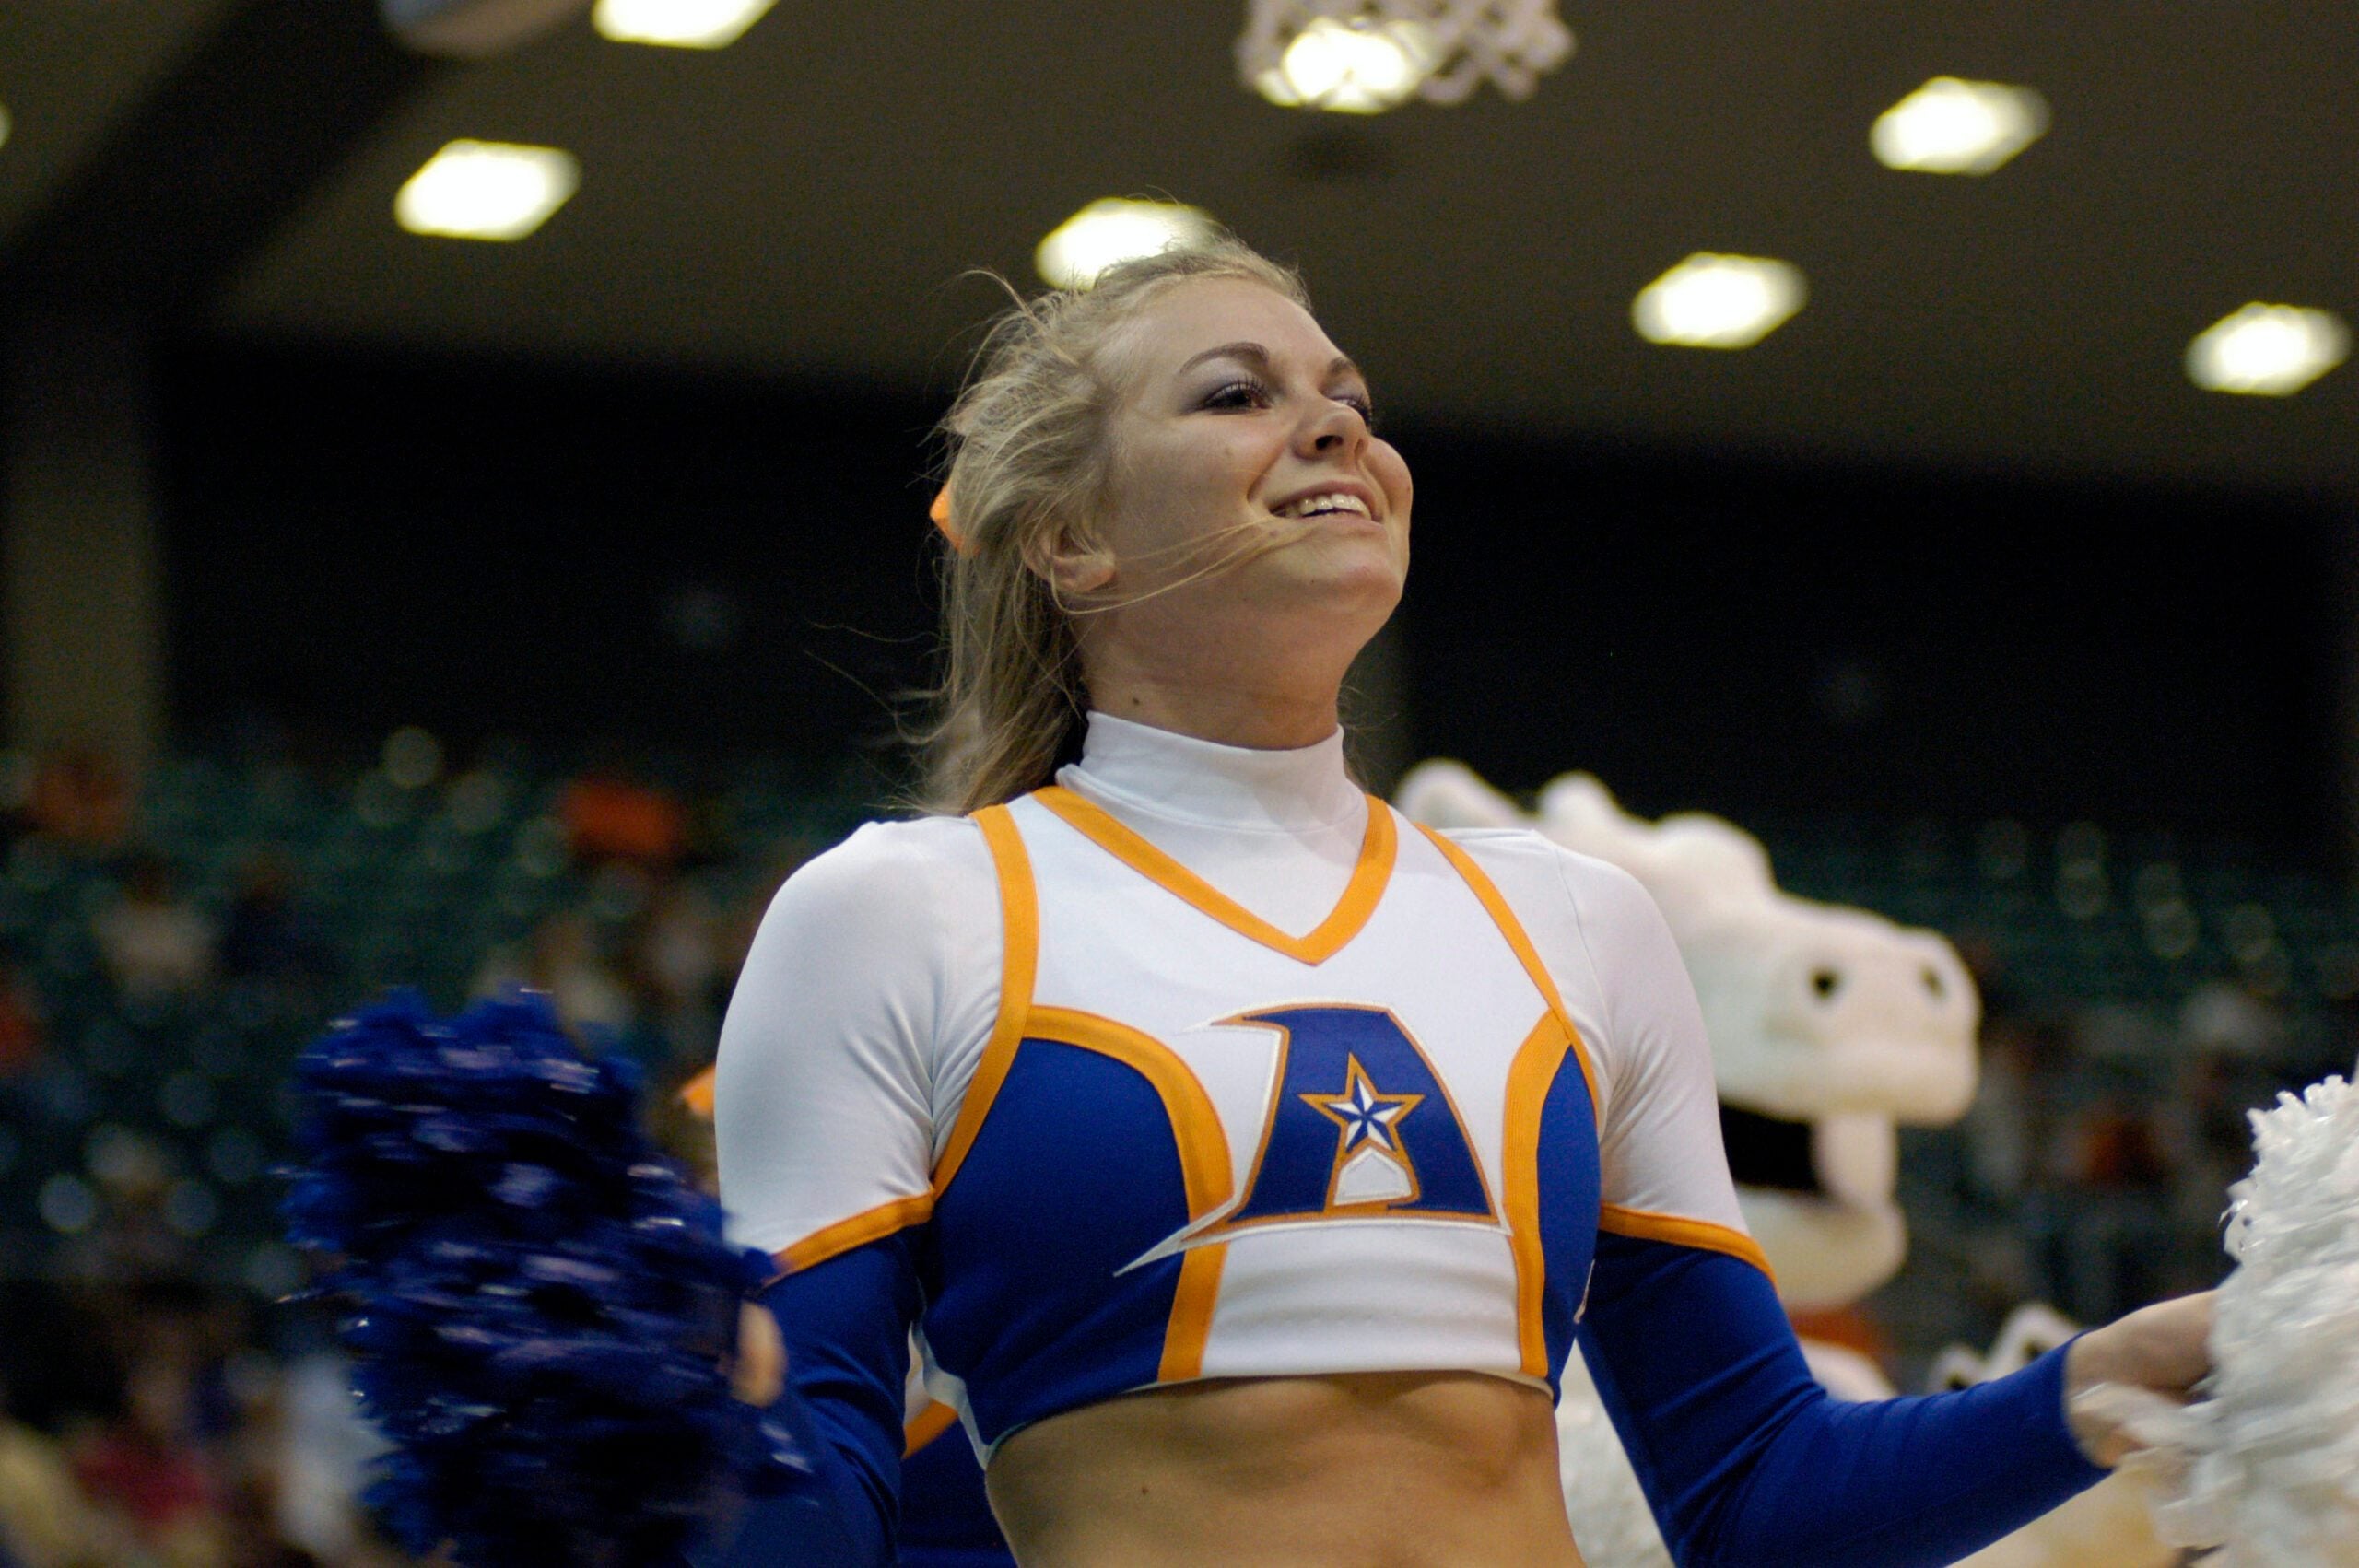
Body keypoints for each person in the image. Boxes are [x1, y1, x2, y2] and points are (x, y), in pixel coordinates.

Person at [710, 238, 2212, 1567]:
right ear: (1069, 537)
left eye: (1350, 393)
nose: (1336, 424)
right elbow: (818, 1513)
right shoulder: (906, 915)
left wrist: (2109, 1381)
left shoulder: (1575, 924)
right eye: (1237, 394)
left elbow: (1761, 1490)